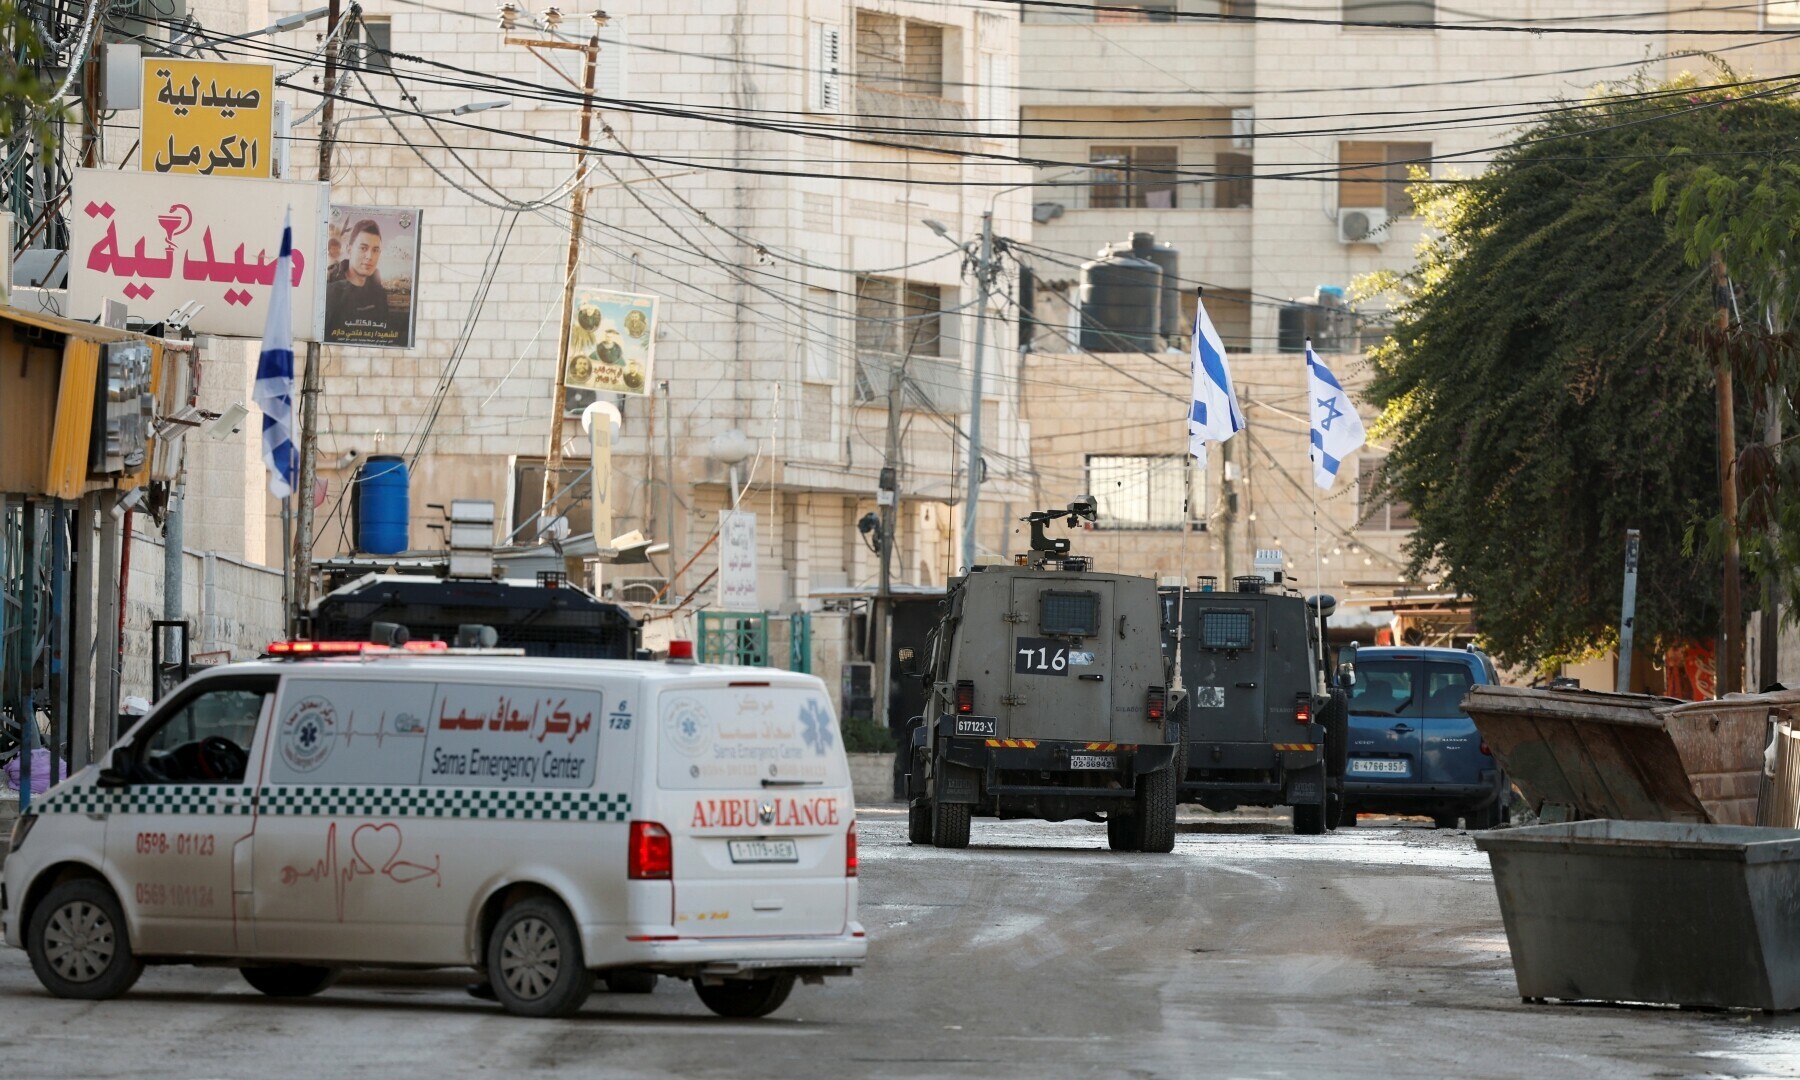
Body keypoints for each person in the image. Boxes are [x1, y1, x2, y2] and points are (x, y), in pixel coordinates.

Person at [325, 219, 394, 340]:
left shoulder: (379, 294)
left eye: (375, 250)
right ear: (349, 249)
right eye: (363, 248)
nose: (369, 256)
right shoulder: (328, 287)